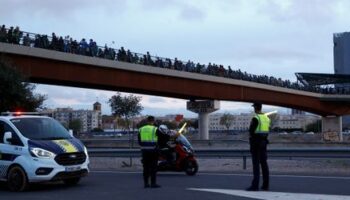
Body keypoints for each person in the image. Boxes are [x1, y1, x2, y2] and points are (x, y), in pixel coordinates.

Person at [246, 103, 271, 191]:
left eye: (254, 107)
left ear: (256, 108)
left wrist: (251, 138)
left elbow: (251, 131)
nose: (254, 109)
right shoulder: (266, 118)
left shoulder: (256, 118)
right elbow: (267, 130)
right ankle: (265, 185)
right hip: (264, 142)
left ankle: (255, 186)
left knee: (256, 165)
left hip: (256, 143)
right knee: (264, 164)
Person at [138, 116, 162, 188]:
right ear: (153, 121)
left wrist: (144, 146)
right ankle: (153, 183)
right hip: (153, 150)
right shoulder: (155, 129)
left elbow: (139, 141)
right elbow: (160, 139)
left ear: (147, 121)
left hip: (144, 151)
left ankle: (146, 184)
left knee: (146, 168)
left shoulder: (141, 129)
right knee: (153, 167)